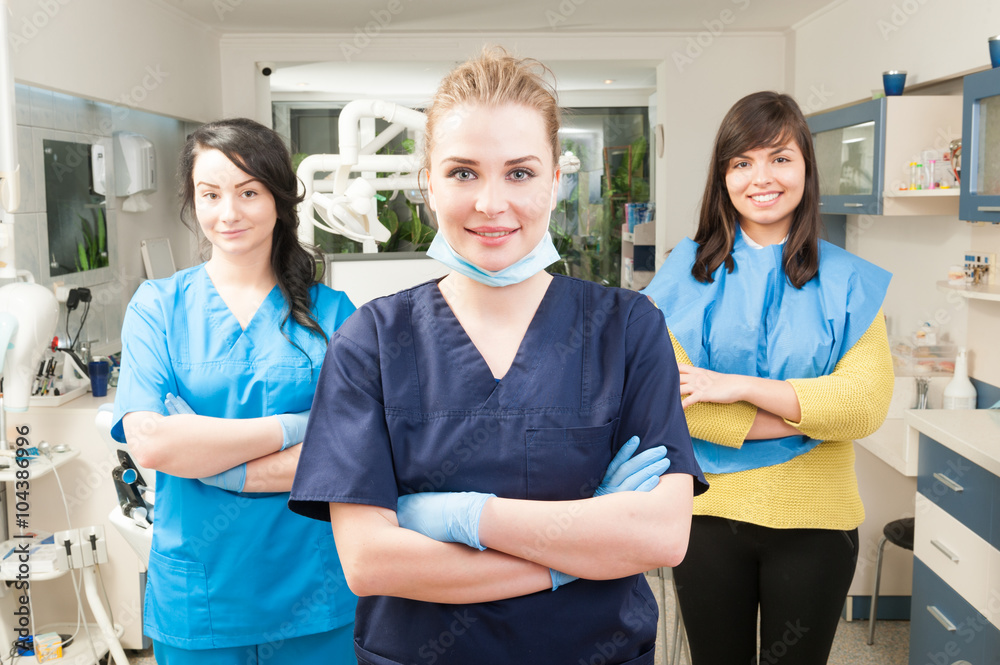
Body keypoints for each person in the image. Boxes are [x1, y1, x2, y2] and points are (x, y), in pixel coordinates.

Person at [288, 47, 707, 665]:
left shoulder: (627, 329)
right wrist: (576, 551)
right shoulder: (372, 341)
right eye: (462, 172)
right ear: (427, 181)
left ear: (556, 182)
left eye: (519, 172)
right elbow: (372, 563)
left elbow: (662, 537)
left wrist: (461, 516)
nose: (490, 203)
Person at [642, 91, 894, 664]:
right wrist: (809, 417)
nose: (763, 177)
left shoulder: (848, 282)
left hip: (817, 520)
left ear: (806, 166)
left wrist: (741, 386)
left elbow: (863, 407)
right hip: (708, 513)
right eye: (742, 162)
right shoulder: (685, 277)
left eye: (780, 158)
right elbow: (677, 402)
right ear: (723, 176)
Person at [111, 118, 357, 664]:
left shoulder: (334, 316)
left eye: (249, 192)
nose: (229, 212)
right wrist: (297, 429)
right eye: (210, 193)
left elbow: (354, 453)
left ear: (279, 199)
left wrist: (210, 459)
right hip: (201, 595)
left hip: (313, 588)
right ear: (192, 201)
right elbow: (150, 444)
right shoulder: (158, 307)